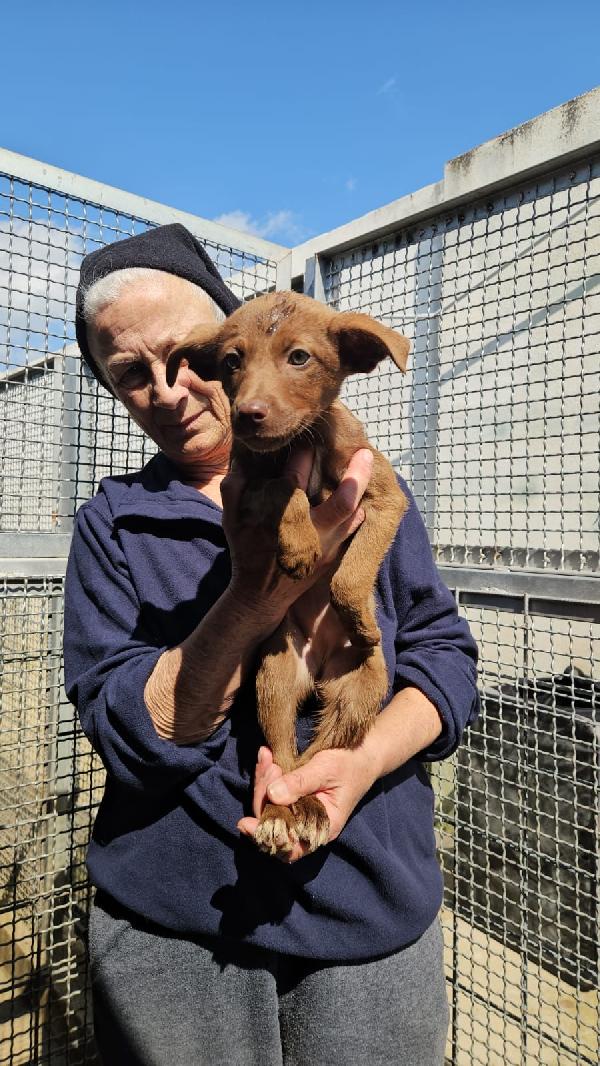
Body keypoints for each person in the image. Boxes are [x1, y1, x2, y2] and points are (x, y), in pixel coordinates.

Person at [64, 223, 479, 1066]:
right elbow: (125, 732)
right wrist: (257, 598)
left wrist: (360, 762)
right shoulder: (112, 525)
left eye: (184, 356)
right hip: (176, 922)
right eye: (131, 375)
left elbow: (445, 655)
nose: (170, 391)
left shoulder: (358, 476)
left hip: (367, 909)